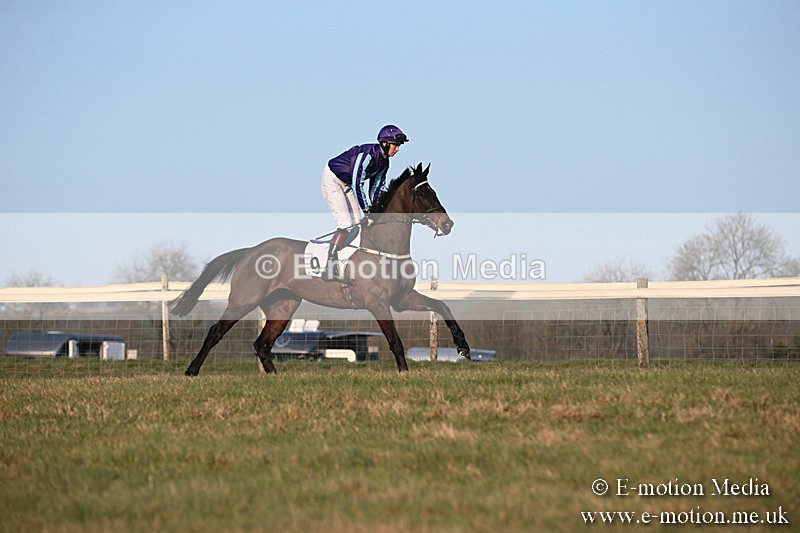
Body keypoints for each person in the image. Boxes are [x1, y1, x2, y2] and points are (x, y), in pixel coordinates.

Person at [319, 124, 409, 281]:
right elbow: (357, 182)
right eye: (395, 145)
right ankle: (329, 265)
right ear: (385, 143)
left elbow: (376, 188)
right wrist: (367, 209)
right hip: (332, 179)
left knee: (358, 223)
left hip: (346, 184)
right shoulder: (367, 155)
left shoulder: (384, 163)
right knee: (346, 223)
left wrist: (374, 212)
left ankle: (347, 261)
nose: (397, 150)